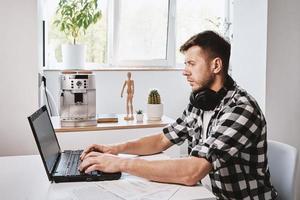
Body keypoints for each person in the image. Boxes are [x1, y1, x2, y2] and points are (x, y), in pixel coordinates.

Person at [79, 31, 277, 199]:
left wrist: (119, 164)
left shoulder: (241, 108)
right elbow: (161, 140)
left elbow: (193, 171)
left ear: (216, 66)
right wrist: (115, 149)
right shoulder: (201, 101)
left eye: (191, 64)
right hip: (204, 195)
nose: (185, 71)